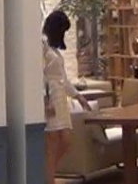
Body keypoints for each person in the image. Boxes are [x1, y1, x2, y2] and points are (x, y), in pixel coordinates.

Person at [42, 10, 92, 184]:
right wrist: (45, 99)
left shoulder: (54, 49)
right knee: (53, 142)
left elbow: (63, 77)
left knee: (66, 140)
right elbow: (40, 75)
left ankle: (48, 172)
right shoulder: (42, 46)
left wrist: (78, 96)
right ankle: (49, 178)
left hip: (60, 96)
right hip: (50, 96)